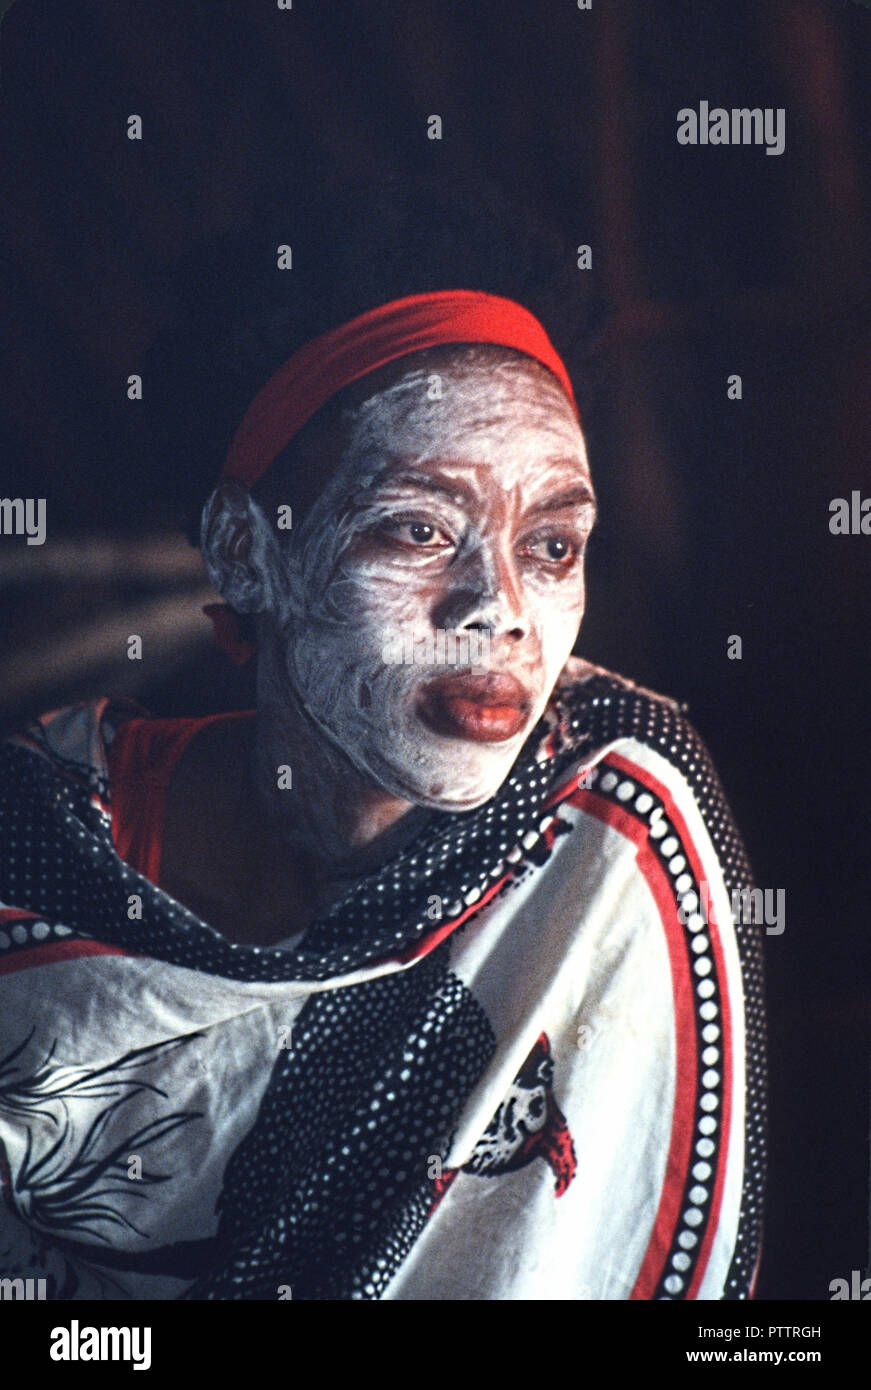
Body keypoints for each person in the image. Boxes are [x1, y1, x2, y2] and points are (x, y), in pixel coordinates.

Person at [0, 181, 765, 1300]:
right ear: (244, 550)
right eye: (416, 527)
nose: (498, 608)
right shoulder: (36, 851)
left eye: (551, 545)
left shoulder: (612, 810)